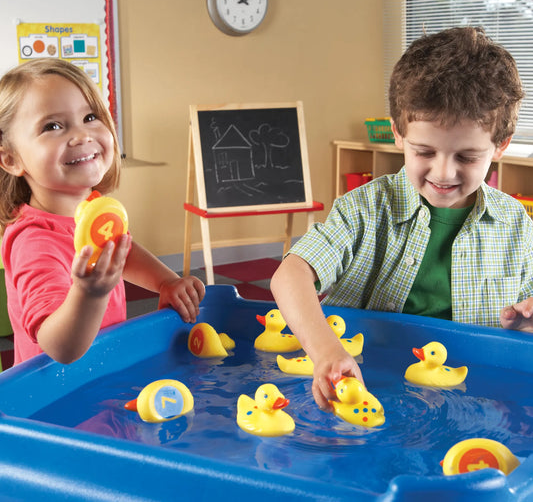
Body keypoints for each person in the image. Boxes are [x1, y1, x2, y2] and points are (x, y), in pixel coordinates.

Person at [270, 26, 533, 411]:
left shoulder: (518, 227)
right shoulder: (363, 209)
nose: (443, 172)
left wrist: (524, 326)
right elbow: (289, 275)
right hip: (365, 387)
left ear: (500, 146)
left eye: (466, 157)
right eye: (424, 152)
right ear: (398, 134)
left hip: (471, 400)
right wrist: (326, 351)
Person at [0, 58, 205, 365]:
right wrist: (89, 294)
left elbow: (122, 250)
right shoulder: (35, 242)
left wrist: (166, 282)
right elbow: (60, 349)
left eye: (90, 117)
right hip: (61, 389)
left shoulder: (92, 211)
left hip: (102, 369)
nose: (82, 135)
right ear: (11, 159)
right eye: (52, 126)